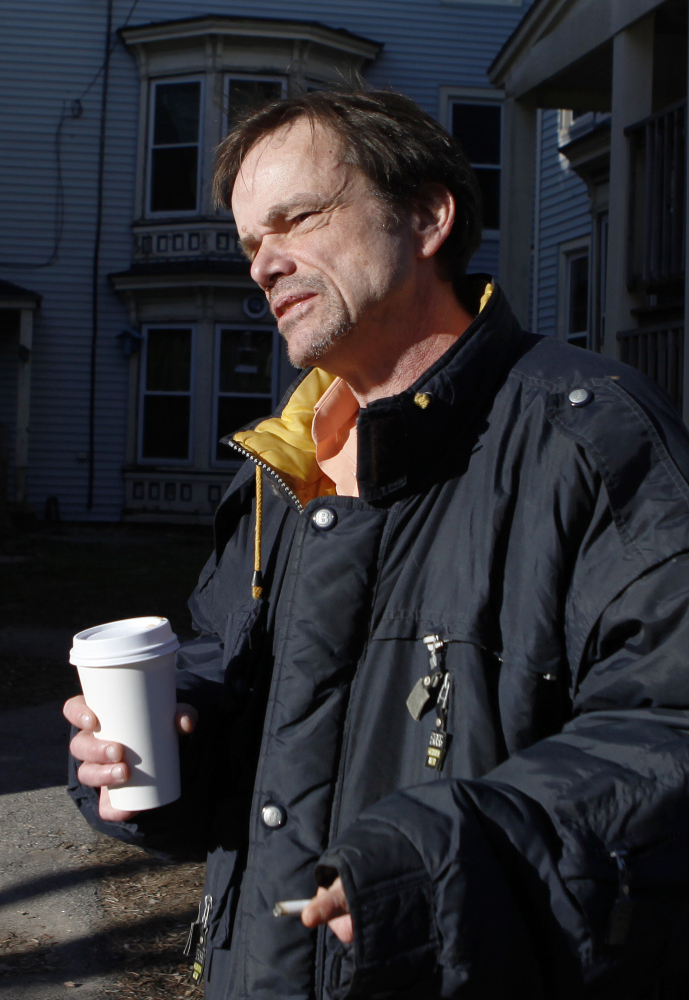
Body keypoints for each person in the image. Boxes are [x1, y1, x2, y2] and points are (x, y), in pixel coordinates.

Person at [66, 88, 689, 999]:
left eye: (296, 220)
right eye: (249, 244)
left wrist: (446, 855)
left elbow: (666, 727)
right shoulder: (279, 469)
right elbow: (238, 683)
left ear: (429, 215)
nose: (262, 266)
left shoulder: (591, 438)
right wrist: (173, 741)